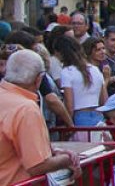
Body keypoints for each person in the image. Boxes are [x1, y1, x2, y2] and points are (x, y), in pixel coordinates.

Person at [0, 50, 80, 184]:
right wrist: (68, 159)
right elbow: (37, 166)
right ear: (39, 79)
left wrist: (52, 151)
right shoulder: (26, 109)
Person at [57, 36, 107, 129]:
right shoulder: (95, 69)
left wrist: (69, 124)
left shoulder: (67, 72)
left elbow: (69, 104)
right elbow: (104, 100)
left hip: (79, 118)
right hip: (99, 117)